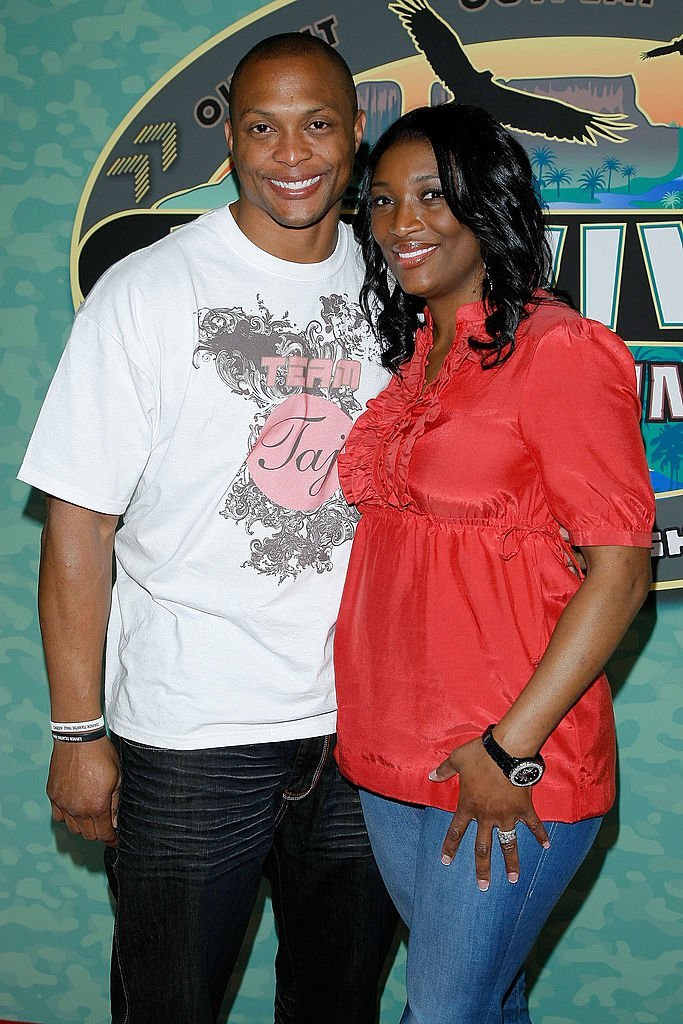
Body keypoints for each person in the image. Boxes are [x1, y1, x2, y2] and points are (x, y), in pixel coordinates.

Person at [18, 33, 397, 1024]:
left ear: (357, 131)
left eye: (316, 124)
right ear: (229, 140)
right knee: (168, 1007)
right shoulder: (147, 292)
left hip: (365, 732)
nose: (292, 154)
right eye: (262, 128)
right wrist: (76, 730)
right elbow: (77, 523)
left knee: (337, 1005)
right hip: (191, 737)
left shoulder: (403, 291)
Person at [333, 103, 654, 1024]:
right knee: (485, 1003)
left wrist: (506, 750)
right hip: (390, 760)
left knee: (441, 1012)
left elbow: (620, 572)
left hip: (508, 765)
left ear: (490, 204)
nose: (401, 223)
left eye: (432, 195)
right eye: (383, 201)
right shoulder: (414, 360)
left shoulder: (559, 352)